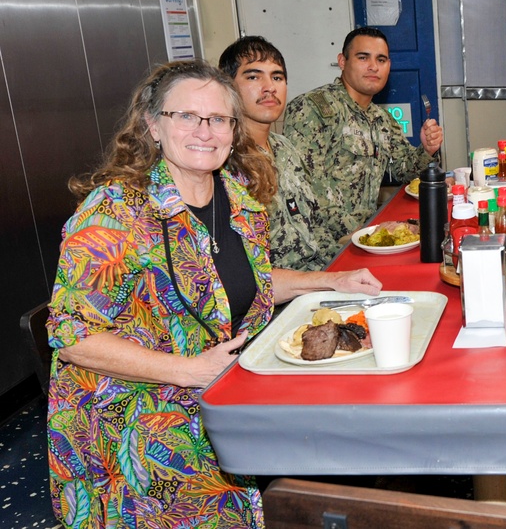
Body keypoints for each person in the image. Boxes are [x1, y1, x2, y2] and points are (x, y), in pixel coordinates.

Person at [46, 60, 381, 527]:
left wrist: (330, 281)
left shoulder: (237, 196)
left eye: (218, 119)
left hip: (223, 394)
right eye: (186, 116)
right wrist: (189, 371)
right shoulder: (113, 214)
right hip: (137, 422)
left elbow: (246, 282)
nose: (205, 131)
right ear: (153, 126)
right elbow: (72, 336)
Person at [282, 27, 444, 235]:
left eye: (381, 60)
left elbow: (405, 171)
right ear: (342, 61)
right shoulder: (313, 109)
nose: (373, 67)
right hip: (321, 245)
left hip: (362, 234)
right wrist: (363, 232)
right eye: (363, 57)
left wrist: (427, 150)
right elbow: (307, 187)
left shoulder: (381, 118)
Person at [220, 36, 348, 271]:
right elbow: (245, 275)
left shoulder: (285, 148)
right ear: (226, 88)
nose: (269, 87)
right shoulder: (223, 163)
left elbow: (315, 230)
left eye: (277, 77)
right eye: (253, 76)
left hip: (318, 278)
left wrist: (362, 246)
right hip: (276, 301)